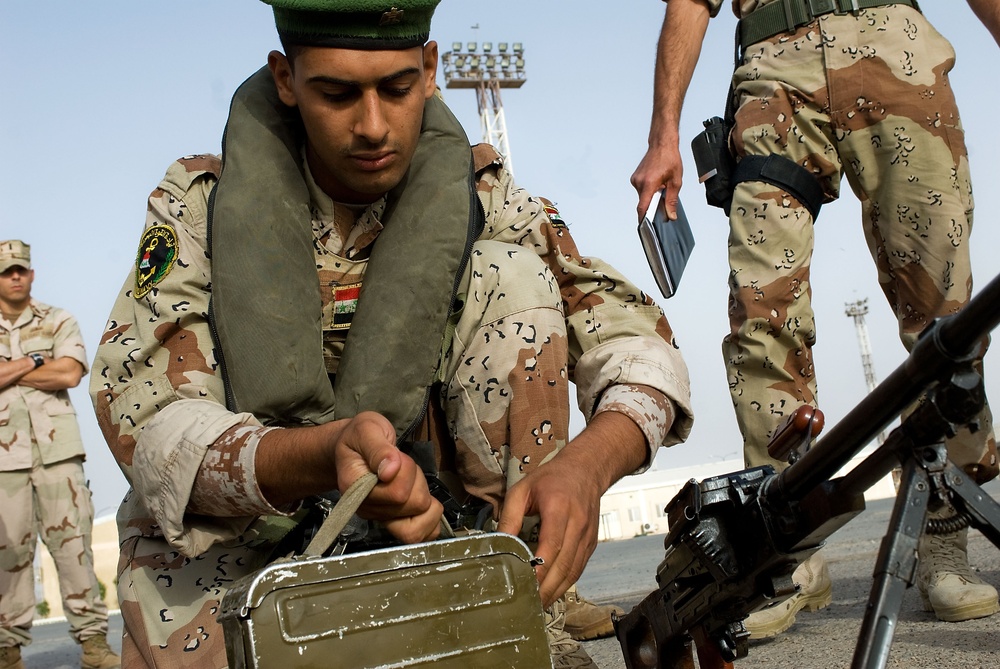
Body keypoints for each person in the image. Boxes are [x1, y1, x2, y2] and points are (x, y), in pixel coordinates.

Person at [89, 1, 694, 667]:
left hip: (434, 527)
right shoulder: (200, 204)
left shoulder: (481, 194)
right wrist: (322, 453)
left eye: (397, 89)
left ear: (430, 70)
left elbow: (639, 347)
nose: (373, 126)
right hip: (246, 543)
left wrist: (588, 466)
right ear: (286, 80)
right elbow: (148, 422)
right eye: (338, 93)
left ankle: (513, 592)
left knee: (515, 274)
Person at [632, 0, 1000, 639]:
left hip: (893, 46)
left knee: (943, 310)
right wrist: (664, 132)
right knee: (760, 312)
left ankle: (945, 535)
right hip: (774, 72)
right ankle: (788, 549)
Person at [0, 240, 121, 669]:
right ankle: (7, 651)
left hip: (58, 454)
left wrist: (9, 372)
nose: (14, 276)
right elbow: (54, 369)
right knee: (8, 551)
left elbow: (70, 371)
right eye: (6, 271)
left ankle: (93, 646)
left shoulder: (58, 319)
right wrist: (36, 361)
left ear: (31, 274)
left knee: (73, 548)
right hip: (4, 462)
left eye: (21, 269)